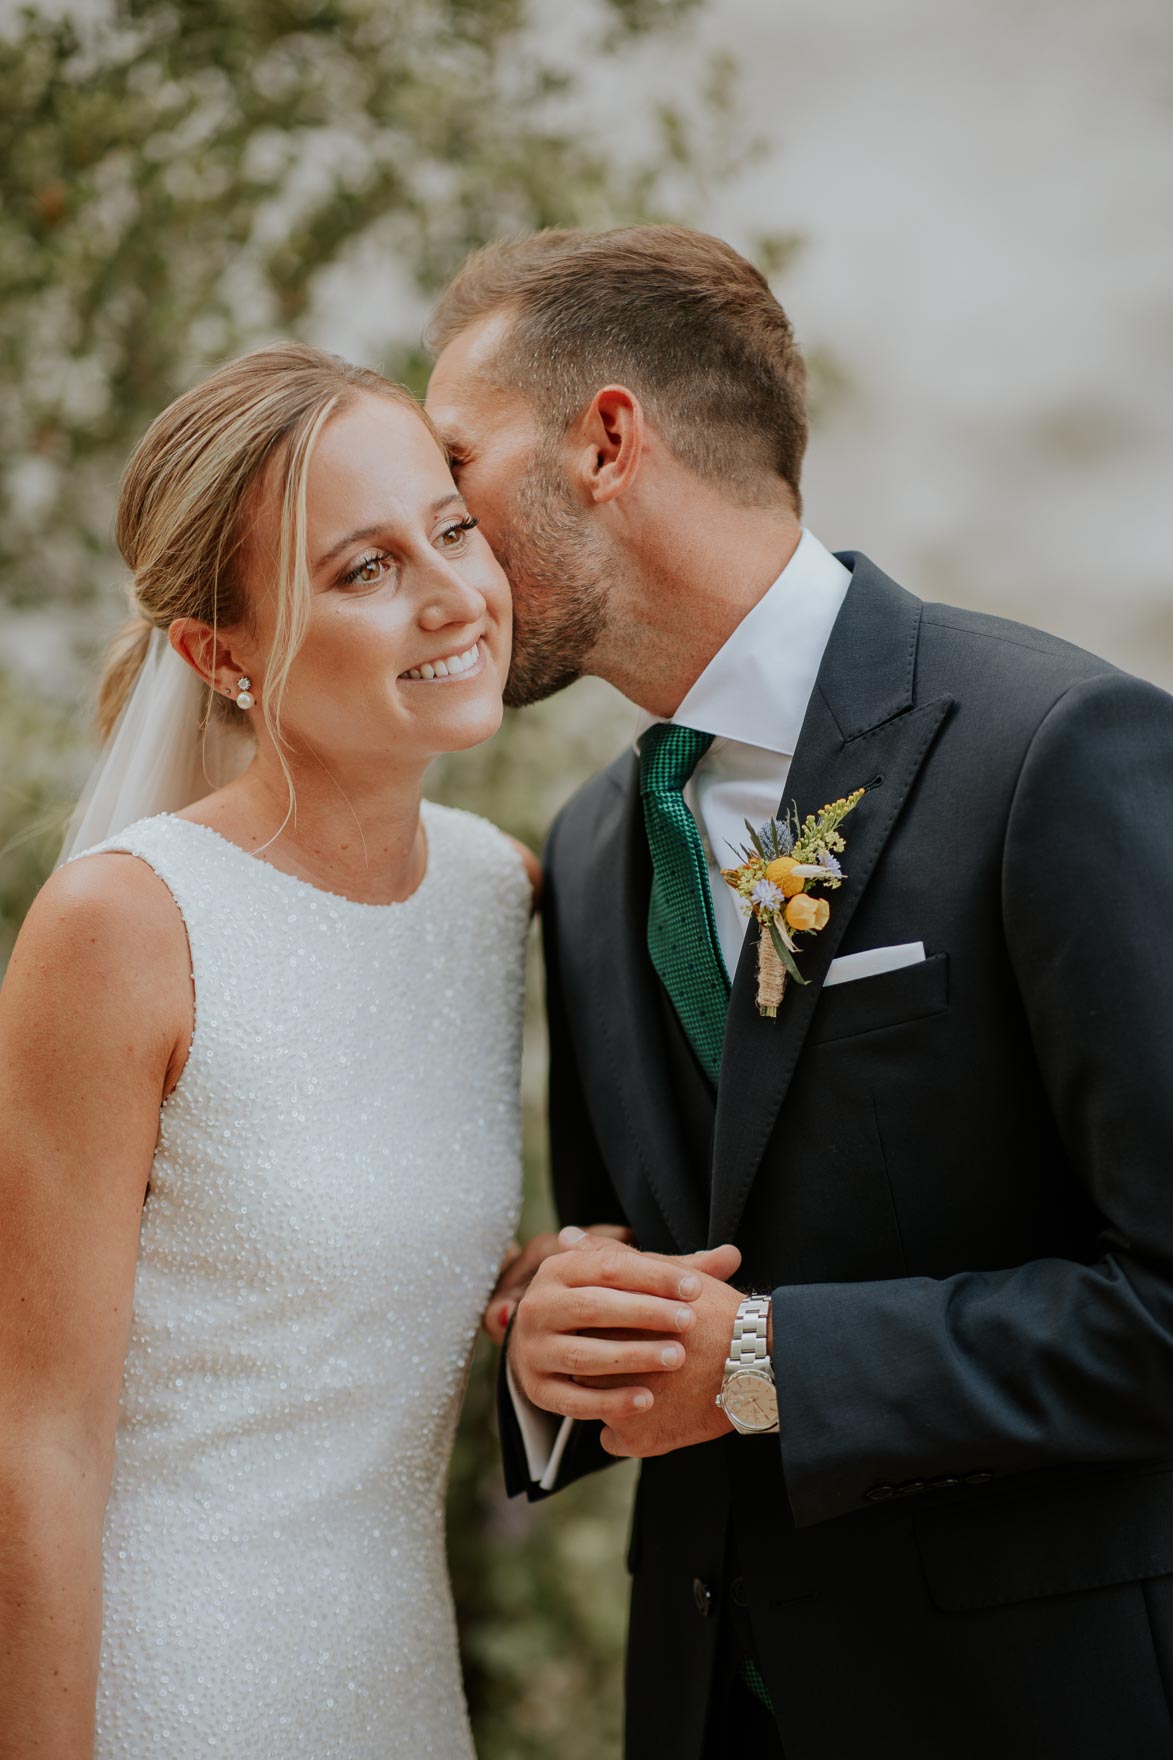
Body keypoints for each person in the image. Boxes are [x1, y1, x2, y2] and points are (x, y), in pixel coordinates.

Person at [428, 225, 1173, 1760]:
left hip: (1030, 1708)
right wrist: (552, 1333)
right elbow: (642, 1256)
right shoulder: (581, 847)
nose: (436, 529)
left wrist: (774, 1364)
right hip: (710, 1706)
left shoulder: (1054, 750)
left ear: (607, 439)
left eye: (456, 467)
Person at [0, 343, 732, 1759]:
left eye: (449, 530)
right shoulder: (128, 924)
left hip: (394, 1683)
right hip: (164, 1687)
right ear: (219, 656)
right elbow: (38, 1441)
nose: (455, 595)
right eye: (362, 570)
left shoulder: (493, 893)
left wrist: (540, 1300)